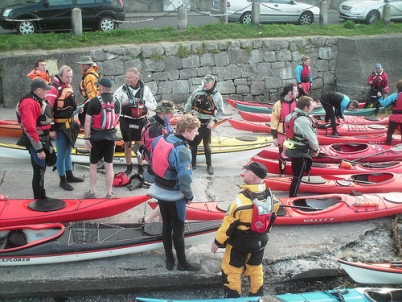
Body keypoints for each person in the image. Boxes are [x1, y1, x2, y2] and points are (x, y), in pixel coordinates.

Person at [211, 162, 278, 298]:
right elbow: (270, 221)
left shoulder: (241, 200)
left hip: (239, 244)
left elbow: (228, 226)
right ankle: (257, 296)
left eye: (246, 171)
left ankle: (233, 297)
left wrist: (217, 242)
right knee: (255, 269)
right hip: (260, 242)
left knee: (232, 271)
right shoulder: (273, 199)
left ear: (252, 176)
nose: (243, 173)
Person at [147, 114, 201, 271]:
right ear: (186, 130)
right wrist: (189, 196)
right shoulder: (182, 150)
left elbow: (152, 158)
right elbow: (185, 178)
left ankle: (169, 259)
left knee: (166, 224)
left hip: (159, 188)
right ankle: (182, 263)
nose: (197, 133)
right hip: (174, 193)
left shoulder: (163, 138)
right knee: (178, 228)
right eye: (195, 130)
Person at [46, 65, 83, 191]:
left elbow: (70, 102)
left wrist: (78, 108)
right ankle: (62, 180)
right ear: (60, 76)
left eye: (71, 76)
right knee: (61, 154)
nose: (69, 79)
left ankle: (70, 175)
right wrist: (51, 129)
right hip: (60, 126)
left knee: (68, 151)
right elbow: (48, 109)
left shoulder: (68, 87)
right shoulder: (53, 89)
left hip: (70, 124)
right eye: (67, 76)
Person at [113, 68, 157, 176]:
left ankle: (141, 167)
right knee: (127, 144)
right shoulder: (122, 89)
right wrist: (125, 103)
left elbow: (155, 106)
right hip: (126, 120)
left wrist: (143, 102)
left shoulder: (145, 90)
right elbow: (113, 104)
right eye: (126, 77)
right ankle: (129, 167)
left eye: (129, 77)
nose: (127, 79)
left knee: (139, 144)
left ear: (136, 78)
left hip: (140, 120)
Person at [16, 78, 55, 199]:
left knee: (42, 170)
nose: (47, 92)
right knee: (39, 172)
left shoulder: (38, 100)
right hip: (35, 142)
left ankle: (42, 196)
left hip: (43, 139)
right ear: (38, 90)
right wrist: (39, 150)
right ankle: (38, 199)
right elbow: (30, 129)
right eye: (45, 90)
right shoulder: (29, 103)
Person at [83, 78, 120, 199]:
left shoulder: (94, 101)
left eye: (98, 87)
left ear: (103, 88)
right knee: (109, 165)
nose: (98, 88)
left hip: (96, 137)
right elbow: (117, 119)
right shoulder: (117, 102)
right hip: (110, 137)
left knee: (93, 165)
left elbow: (87, 122)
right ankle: (109, 193)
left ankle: (93, 192)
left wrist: (86, 138)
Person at [140, 100, 175, 223]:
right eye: (170, 113)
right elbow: (157, 152)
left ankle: (162, 223)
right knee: (167, 198)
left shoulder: (158, 122)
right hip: (159, 169)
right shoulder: (154, 129)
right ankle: (148, 220)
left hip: (159, 167)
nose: (173, 116)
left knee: (164, 198)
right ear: (161, 113)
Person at [183, 74, 224, 175]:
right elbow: (189, 103)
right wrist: (185, 115)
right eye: (204, 82)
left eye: (207, 82)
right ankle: (192, 163)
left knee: (207, 145)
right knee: (192, 142)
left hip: (207, 123)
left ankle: (209, 165)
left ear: (212, 83)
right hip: (195, 120)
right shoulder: (197, 92)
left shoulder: (217, 97)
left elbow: (220, 112)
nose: (204, 84)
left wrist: (214, 121)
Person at [284, 96, 320, 197]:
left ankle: (292, 196)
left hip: (292, 149)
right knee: (297, 177)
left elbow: (288, 134)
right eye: (311, 105)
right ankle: (292, 198)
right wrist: (316, 149)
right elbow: (311, 138)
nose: (313, 106)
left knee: (296, 176)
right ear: (305, 107)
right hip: (300, 152)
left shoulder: (290, 116)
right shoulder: (302, 120)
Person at [270, 83, 298, 176]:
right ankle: (282, 173)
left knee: (295, 155)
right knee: (282, 156)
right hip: (282, 134)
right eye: (295, 91)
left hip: (294, 134)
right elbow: (274, 121)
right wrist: (274, 137)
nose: (297, 92)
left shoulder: (297, 103)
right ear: (290, 92)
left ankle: (295, 174)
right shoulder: (278, 104)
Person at [76, 55, 100, 126]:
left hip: (92, 100)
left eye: (81, 64)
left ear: (85, 65)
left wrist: (91, 106)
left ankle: (88, 128)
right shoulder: (93, 73)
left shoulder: (89, 76)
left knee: (82, 113)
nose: (80, 66)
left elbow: (91, 93)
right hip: (96, 99)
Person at [378, 80, 402, 145]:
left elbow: (383, 103)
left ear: (398, 87)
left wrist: (380, 97)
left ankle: (388, 146)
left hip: (395, 117)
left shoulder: (395, 95)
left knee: (390, 133)